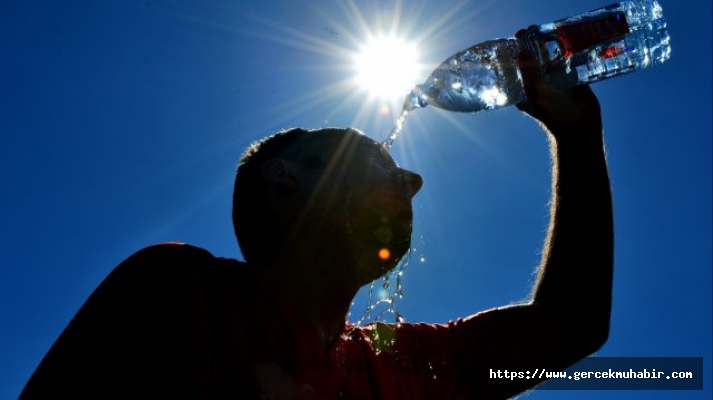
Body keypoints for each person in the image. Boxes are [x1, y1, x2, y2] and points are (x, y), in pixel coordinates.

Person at [20, 49, 613, 399]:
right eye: (377, 158)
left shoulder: (405, 363)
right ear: (286, 178)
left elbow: (569, 326)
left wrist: (578, 136)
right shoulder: (177, 291)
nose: (413, 182)